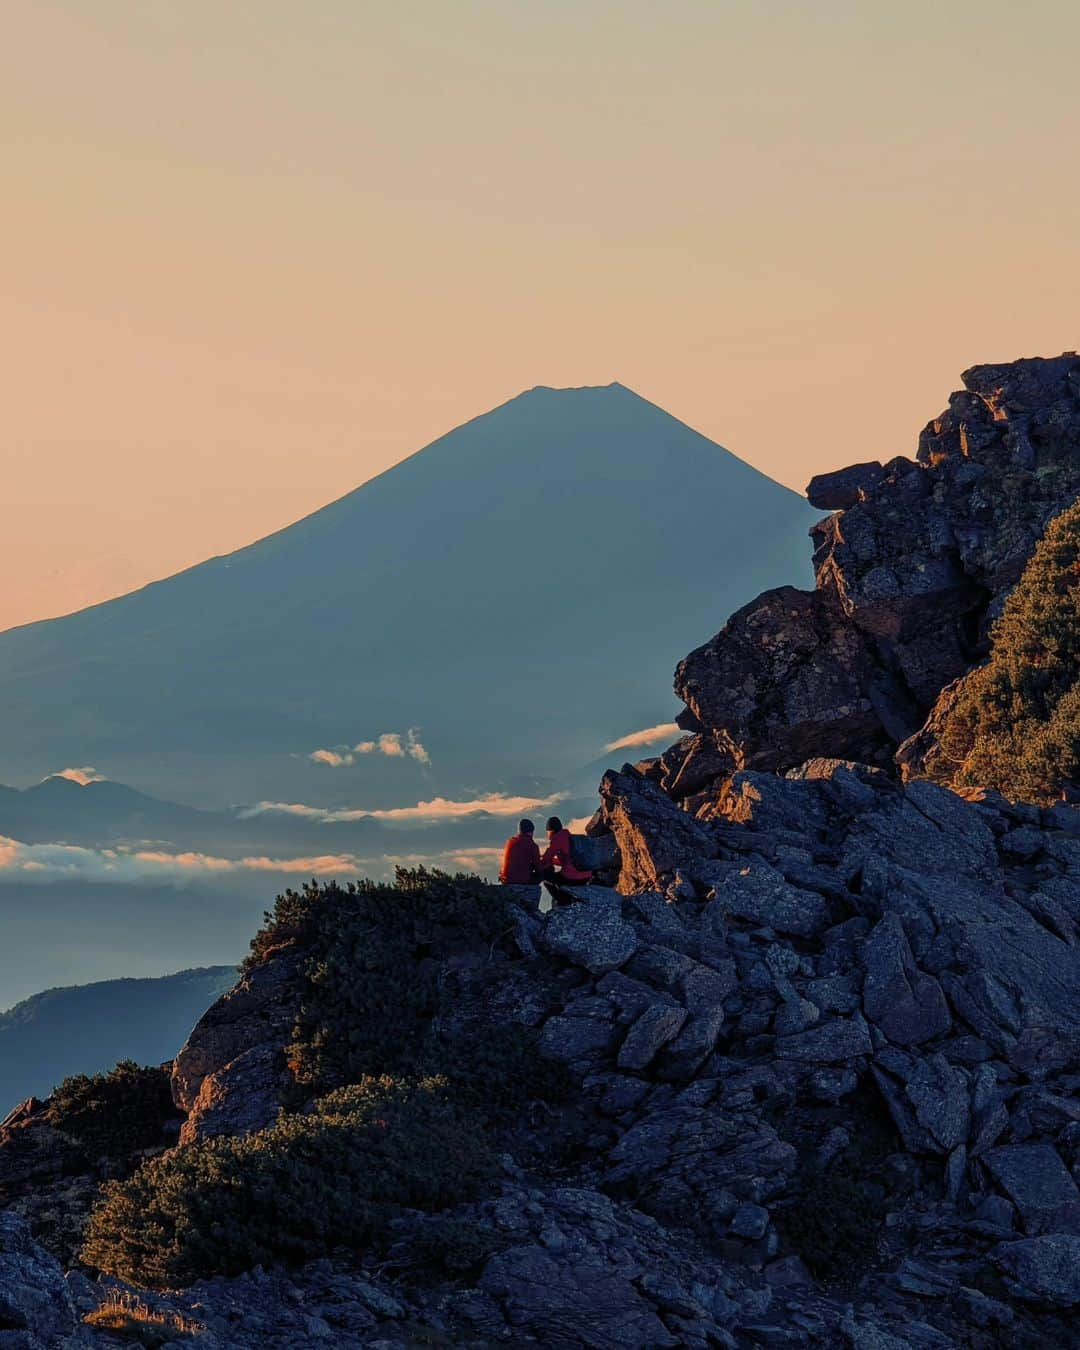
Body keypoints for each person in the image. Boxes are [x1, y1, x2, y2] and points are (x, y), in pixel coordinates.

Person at [538, 815, 593, 886]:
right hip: (585, 874)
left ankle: (560, 896)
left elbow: (546, 858)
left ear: (551, 830)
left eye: (547, 832)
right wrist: (553, 860)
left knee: (546, 877)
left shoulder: (557, 838)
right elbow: (567, 861)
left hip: (571, 876)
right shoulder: (567, 836)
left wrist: (539, 860)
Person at [499, 818, 542, 884]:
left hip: (505, 880)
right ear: (531, 832)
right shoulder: (532, 845)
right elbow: (538, 868)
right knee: (545, 872)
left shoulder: (509, 842)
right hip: (521, 881)